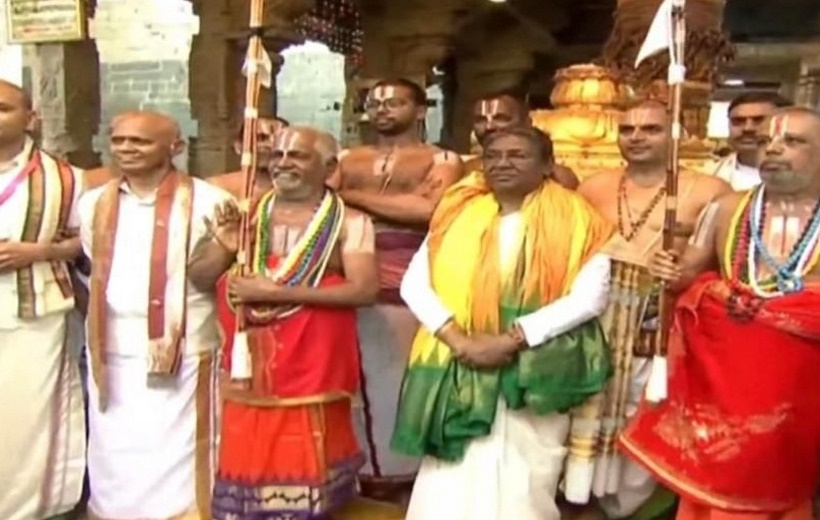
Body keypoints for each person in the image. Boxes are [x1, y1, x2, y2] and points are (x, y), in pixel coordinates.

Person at [392, 126, 614, 520]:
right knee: (449, 477)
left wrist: (512, 340)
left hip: (533, 369)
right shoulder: (457, 214)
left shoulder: (579, 220)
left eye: (517, 155)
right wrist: (459, 340)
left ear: (547, 164)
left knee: (523, 482)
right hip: (456, 361)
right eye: (493, 156)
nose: (502, 164)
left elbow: (589, 298)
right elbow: (415, 284)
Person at [620, 106, 820, 520]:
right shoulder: (727, 208)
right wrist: (670, 270)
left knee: (789, 480)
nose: (774, 150)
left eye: (792, 142)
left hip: (802, 386)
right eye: (767, 142)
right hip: (726, 381)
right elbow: (686, 273)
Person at [186, 125, 378, 519]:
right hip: (249, 362)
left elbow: (363, 291)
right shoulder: (247, 215)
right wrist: (225, 242)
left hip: (313, 363)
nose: (283, 163)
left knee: (307, 448)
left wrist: (279, 294)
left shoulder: (351, 222)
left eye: (297, 156)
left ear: (328, 167)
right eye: (278, 155)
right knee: (248, 440)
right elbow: (201, 278)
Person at [573, 100, 731, 519]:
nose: (637, 137)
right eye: (628, 129)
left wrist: (686, 270)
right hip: (600, 331)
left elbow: (723, 261)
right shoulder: (593, 187)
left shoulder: (709, 191)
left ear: (674, 134)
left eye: (651, 129)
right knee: (594, 426)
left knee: (650, 426)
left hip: (663, 334)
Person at [79, 110, 230, 520]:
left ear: (175, 148)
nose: (126, 148)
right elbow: (97, 270)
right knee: (115, 445)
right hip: (111, 347)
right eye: (119, 140)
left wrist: (225, 248)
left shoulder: (211, 202)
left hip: (183, 347)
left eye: (140, 141)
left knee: (178, 445)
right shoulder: (93, 204)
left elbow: (207, 280)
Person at [328, 77, 464, 501]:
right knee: (349, 383)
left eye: (395, 102)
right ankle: (357, 477)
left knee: (397, 381)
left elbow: (429, 210)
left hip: (406, 283)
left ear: (422, 110)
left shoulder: (442, 158)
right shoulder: (348, 155)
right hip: (342, 277)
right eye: (375, 103)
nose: (382, 109)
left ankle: (402, 480)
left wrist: (351, 196)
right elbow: (320, 200)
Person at [0, 79, 86, 520]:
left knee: (25, 416)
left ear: (30, 118)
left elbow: (84, 242)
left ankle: (25, 509)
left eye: (2, 109)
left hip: (34, 312)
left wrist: (40, 252)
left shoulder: (65, 178)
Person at [467, 92, 580, 189]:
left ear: (527, 122)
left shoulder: (557, 177)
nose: (489, 126)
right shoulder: (465, 170)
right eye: (480, 120)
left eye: (501, 118)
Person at [713, 91, 791, 190]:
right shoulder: (705, 174)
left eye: (759, 120)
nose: (748, 128)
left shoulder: (812, 178)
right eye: (738, 121)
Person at [208, 116, 290, 200]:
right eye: (261, 138)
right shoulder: (217, 187)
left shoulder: (298, 192)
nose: (270, 144)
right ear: (239, 147)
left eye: (278, 139)